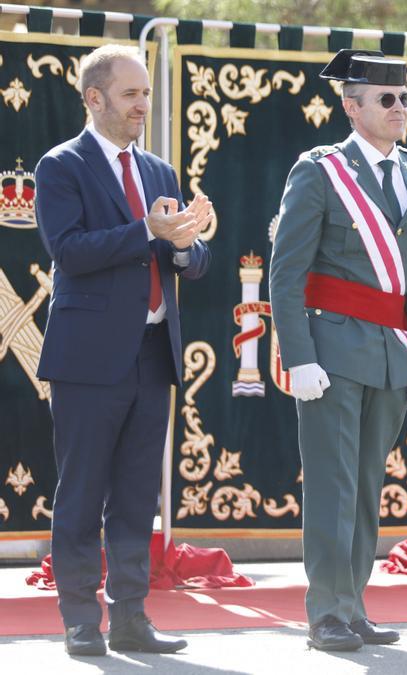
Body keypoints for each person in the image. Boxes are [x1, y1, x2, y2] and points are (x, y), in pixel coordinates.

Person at [34, 44, 212, 656]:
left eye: (145, 94)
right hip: (88, 359)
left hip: (151, 353)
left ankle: (132, 616)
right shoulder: (61, 166)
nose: (143, 105)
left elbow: (186, 256)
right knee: (83, 490)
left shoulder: (159, 171)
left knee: (138, 493)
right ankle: (81, 618)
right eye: (132, 94)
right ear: (95, 98)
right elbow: (70, 251)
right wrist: (149, 231)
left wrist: (187, 244)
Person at [269, 49, 407, 651]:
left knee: (367, 485)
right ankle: (326, 613)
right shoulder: (319, 171)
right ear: (351, 106)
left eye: (406, 98)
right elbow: (285, 274)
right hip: (332, 349)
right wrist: (299, 355)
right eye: (387, 99)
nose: (401, 108)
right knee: (332, 485)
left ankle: (354, 603)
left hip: (392, 352)